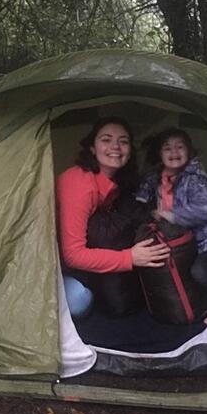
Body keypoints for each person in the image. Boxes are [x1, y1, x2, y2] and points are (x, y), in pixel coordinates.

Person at [56, 116, 170, 317]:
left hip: (73, 261)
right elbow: (72, 255)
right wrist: (130, 257)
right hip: (47, 263)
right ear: (92, 148)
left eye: (123, 141)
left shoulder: (114, 183)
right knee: (79, 301)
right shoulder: (81, 184)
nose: (115, 146)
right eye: (106, 140)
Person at [135, 128, 207, 312]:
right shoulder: (157, 177)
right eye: (167, 148)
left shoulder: (195, 178)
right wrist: (140, 204)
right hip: (183, 244)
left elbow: (204, 208)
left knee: (200, 272)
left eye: (180, 147)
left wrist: (171, 215)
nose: (174, 152)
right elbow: (142, 193)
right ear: (160, 154)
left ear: (189, 151)